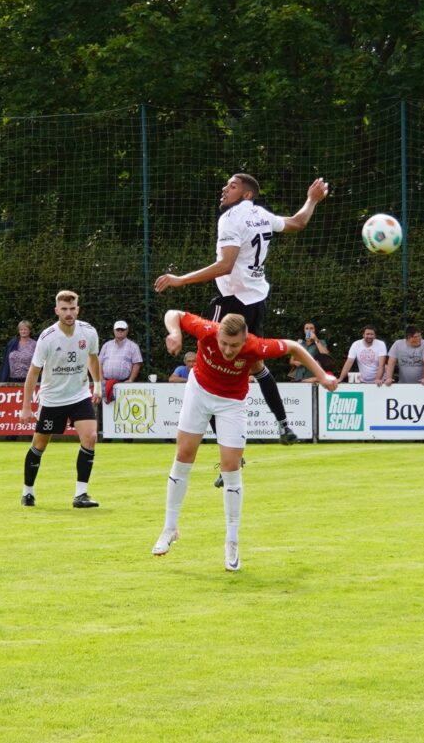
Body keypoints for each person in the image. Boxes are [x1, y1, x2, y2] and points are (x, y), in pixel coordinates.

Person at [151, 311, 337, 572]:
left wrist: (323, 376)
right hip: (199, 391)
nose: (228, 350)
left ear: (245, 339)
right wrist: (174, 332)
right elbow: (172, 314)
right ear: (217, 334)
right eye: (224, 343)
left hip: (232, 403)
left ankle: (232, 542)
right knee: (184, 455)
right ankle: (169, 529)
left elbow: (294, 346)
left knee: (231, 468)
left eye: (234, 345)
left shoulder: (255, 346)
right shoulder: (206, 329)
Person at [155, 174, 329, 445]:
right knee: (256, 364)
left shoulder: (231, 218)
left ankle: (231, 449)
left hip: (231, 301)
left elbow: (225, 265)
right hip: (256, 301)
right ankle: (284, 425)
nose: (225, 189)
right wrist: (312, 200)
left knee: (209, 367)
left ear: (247, 194)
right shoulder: (260, 214)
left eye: (232, 186)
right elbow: (298, 222)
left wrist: (181, 280)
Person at [16, 291, 102, 509]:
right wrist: (26, 407)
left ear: (78, 309)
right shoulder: (48, 338)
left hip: (79, 395)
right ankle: (27, 491)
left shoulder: (89, 332)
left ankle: (81, 494)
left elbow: (93, 358)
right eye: (64, 309)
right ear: (57, 311)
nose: (69, 313)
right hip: (53, 399)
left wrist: (97, 385)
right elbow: (33, 374)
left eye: (72, 308)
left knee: (90, 436)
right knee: (39, 445)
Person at [98, 320, 143, 402]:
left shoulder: (133, 346)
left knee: (124, 406)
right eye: (118, 330)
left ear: (127, 331)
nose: (120, 331)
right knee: (107, 410)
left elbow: (137, 363)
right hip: (106, 383)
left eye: (122, 330)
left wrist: (131, 380)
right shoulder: (106, 345)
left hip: (124, 384)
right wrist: (101, 379)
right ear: (114, 331)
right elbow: (99, 363)